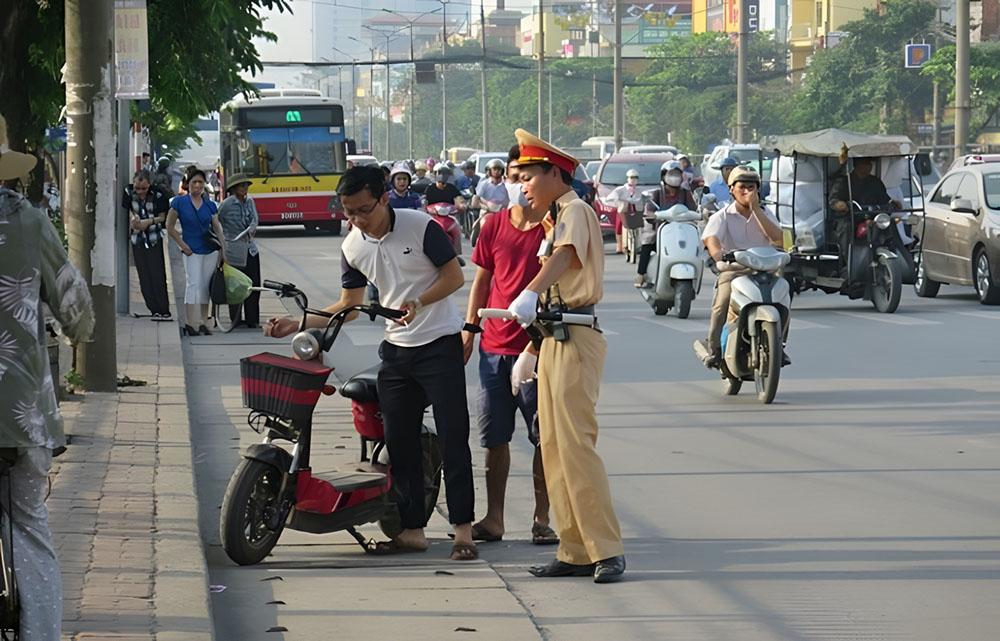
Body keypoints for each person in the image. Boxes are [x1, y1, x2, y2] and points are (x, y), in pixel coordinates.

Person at [264, 165, 478, 561]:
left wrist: (419, 301)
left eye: (363, 210)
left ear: (384, 198)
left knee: (453, 438)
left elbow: (454, 277)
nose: (356, 220)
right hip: (396, 352)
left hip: (439, 345)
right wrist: (298, 322)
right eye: (348, 212)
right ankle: (412, 530)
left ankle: (463, 531)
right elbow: (350, 306)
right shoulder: (353, 245)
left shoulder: (420, 226)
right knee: (400, 444)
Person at [505, 129, 626, 584]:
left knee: (576, 444)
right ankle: (573, 548)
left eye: (529, 177)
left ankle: (606, 549)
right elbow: (553, 278)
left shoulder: (575, 210)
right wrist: (531, 347)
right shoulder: (554, 216)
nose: (523, 186)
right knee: (551, 446)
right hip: (553, 336)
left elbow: (564, 259)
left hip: (577, 336)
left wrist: (527, 291)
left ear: (554, 173)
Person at [0, 149, 95, 641]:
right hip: (22, 414)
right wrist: (78, 331)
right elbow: (75, 307)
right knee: (29, 528)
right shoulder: (30, 222)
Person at [461, 148, 558, 546]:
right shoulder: (493, 226)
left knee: (543, 436)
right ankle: (494, 517)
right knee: (493, 438)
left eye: (526, 177)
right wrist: (469, 329)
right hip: (494, 348)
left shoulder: (556, 229)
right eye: (515, 177)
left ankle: (542, 517)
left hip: (538, 348)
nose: (521, 185)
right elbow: (481, 281)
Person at [700, 166, 783, 366]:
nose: (747, 192)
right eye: (742, 187)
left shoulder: (766, 213)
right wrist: (719, 256)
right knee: (722, 302)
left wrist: (755, 210)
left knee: (783, 300)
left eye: (752, 187)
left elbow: (778, 240)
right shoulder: (723, 216)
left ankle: (780, 345)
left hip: (765, 270)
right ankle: (714, 348)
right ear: (731, 189)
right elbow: (711, 240)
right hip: (735, 271)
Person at [165, 169, 227, 336]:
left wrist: (223, 249)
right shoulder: (179, 202)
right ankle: (190, 323)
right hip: (191, 249)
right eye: (194, 182)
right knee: (193, 284)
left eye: (200, 182)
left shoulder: (210, 205)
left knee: (206, 286)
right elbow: (169, 226)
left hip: (210, 250)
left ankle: (202, 321)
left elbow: (217, 228)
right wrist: (182, 245)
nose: (197, 186)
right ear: (188, 184)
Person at [636, 161, 696, 287]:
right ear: (663, 176)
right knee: (647, 244)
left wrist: (702, 214)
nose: (674, 177)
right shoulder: (657, 193)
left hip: (682, 232)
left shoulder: (685, 193)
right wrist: (652, 215)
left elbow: (693, 209)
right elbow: (649, 210)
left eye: (677, 174)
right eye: (671, 174)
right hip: (660, 231)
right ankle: (641, 274)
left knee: (698, 246)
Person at [122, 169, 171, 320]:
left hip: (154, 237)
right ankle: (153, 308)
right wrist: (134, 220)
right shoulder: (128, 193)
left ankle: (164, 309)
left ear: (149, 185)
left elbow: (163, 217)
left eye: (144, 188)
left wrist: (148, 222)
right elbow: (128, 210)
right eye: (138, 188)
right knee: (144, 276)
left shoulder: (159, 194)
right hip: (137, 239)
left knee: (157, 274)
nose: (141, 192)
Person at [828, 157, 897, 260]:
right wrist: (840, 204)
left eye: (869, 163)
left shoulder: (875, 182)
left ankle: (896, 253)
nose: (869, 166)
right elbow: (833, 201)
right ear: (857, 165)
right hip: (851, 217)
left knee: (890, 223)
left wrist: (892, 203)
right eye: (865, 163)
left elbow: (885, 199)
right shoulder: (843, 181)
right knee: (846, 227)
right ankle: (848, 263)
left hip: (873, 217)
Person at [217, 173, 261, 328]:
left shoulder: (250, 202)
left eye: (246, 186)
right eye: (241, 186)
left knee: (253, 284)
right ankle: (235, 319)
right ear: (234, 188)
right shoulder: (227, 204)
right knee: (235, 286)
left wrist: (252, 229)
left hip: (250, 249)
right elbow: (216, 222)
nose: (245, 188)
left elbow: (255, 220)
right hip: (233, 250)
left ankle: (252, 319)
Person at [604, 168, 643, 255]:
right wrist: (614, 198)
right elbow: (611, 196)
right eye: (631, 177)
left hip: (636, 211)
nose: (633, 180)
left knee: (639, 226)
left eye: (635, 177)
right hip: (623, 210)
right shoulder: (621, 189)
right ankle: (620, 246)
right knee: (619, 227)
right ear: (627, 178)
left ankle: (637, 245)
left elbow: (646, 196)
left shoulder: (639, 190)